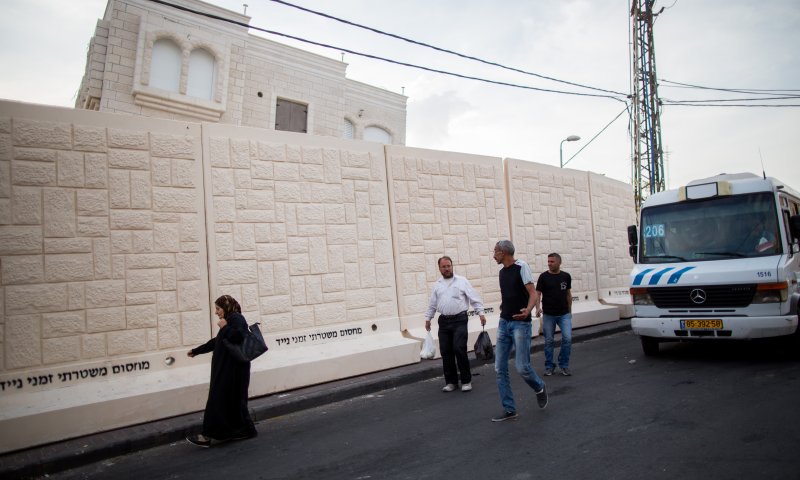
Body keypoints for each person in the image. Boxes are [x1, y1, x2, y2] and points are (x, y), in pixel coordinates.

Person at [186, 295, 258, 447]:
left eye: (218, 309)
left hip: (232, 370)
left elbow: (237, 337)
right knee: (231, 401)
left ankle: (207, 435)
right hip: (228, 369)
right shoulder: (231, 320)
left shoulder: (236, 319)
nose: (216, 312)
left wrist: (225, 327)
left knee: (218, 400)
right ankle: (244, 430)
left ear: (226, 307)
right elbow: (217, 341)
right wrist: (197, 351)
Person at [491, 240, 548, 422]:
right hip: (504, 322)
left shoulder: (521, 267)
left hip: (520, 324)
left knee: (522, 367)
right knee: (500, 368)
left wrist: (528, 311)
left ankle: (539, 387)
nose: (493, 255)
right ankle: (509, 409)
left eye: (495, 251)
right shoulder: (501, 273)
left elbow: (532, 293)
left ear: (503, 252)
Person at [424, 256, 487, 392]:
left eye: (449, 266)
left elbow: (474, 298)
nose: (447, 269)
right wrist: (428, 319)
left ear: (452, 266)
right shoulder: (438, 285)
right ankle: (451, 382)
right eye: (444, 267)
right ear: (439, 268)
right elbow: (432, 304)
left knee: (459, 348)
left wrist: (480, 313)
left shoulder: (462, 281)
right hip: (444, 322)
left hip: (460, 320)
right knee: (446, 351)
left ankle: (466, 381)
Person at [535, 253, 573, 376]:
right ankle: (549, 366)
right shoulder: (543, 277)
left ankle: (564, 365)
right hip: (548, 315)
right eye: (548, 261)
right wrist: (537, 308)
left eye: (552, 261)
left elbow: (568, 294)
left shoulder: (566, 276)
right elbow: (538, 293)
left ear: (559, 263)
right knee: (549, 341)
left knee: (567, 338)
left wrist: (570, 311)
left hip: (564, 314)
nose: (549, 263)